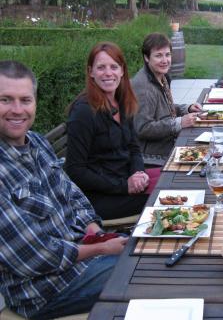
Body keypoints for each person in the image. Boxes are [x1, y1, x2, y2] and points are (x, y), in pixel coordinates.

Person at [0, 60, 127, 319]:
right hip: (44, 290)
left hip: (82, 257)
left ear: (35, 102)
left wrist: (96, 233)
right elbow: (34, 256)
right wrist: (101, 249)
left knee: (158, 245)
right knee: (145, 270)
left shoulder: (36, 143)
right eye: (5, 100)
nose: (17, 109)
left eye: (25, 100)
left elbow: (72, 195)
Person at [65, 42, 157, 220]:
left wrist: (138, 172)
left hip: (125, 179)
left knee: (173, 179)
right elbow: (75, 170)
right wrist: (124, 186)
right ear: (91, 72)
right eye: (101, 67)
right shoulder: (83, 112)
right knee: (165, 197)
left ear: (122, 70)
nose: (108, 73)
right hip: (101, 198)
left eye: (113, 67)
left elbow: (133, 147)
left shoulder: (122, 101)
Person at [131, 32, 202, 159]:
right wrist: (179, 123)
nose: (165, 60)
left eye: (167, 55)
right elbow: (143, 128)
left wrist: (187, 108)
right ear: (146, 57)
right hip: (152, 157)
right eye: (158, 56)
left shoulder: (161, 76)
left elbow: (161, 108)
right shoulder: (143, 87)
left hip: (168, 145)